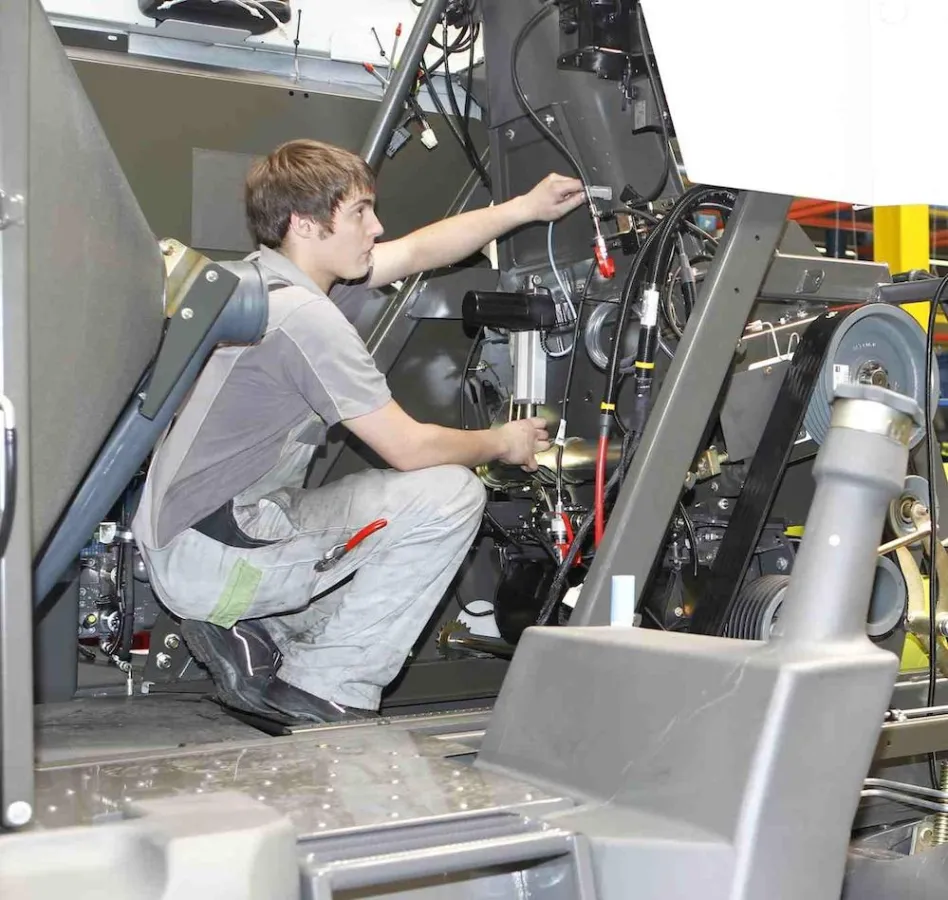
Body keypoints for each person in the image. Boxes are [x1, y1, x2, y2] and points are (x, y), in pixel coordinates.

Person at [132, 138, 585, 724]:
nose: (377, 227)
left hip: (199, 535)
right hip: (210, 560)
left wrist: (525, 207)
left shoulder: (266, 283)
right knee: (451, 495)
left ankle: (262, 633)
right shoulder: (305, 319)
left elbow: (418, 249)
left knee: (369, 514)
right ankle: (326, 686)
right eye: (360, 213)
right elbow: (409, 448)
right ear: (304, 224)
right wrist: (505, 441)